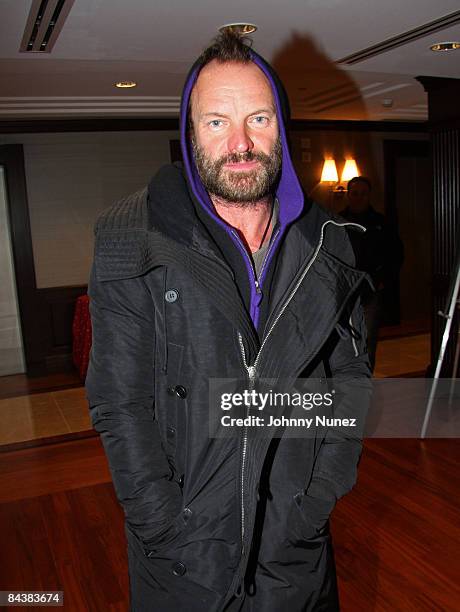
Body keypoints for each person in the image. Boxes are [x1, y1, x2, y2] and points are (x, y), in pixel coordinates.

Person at [85, 32, 372, 612]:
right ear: (191, 136)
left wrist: (316, 498)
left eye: (257, 118)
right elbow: (120, 401)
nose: (240, 142)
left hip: (292, 545)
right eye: (217, 122)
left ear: (281, 128)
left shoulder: (331, 247)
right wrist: (161, 523)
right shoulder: (131, 236)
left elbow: (351, 383)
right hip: (181, 553)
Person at [340, 177, 404, 371]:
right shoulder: (337, 222)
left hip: (370, 293)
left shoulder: (381, 223)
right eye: (354, 193)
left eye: (363, 194)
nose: (358, 198)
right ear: (348, 195)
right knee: (342, 343)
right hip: (343, 295)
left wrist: (383, 280)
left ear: (369, 196)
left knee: (367, 341)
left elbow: (396, 254)